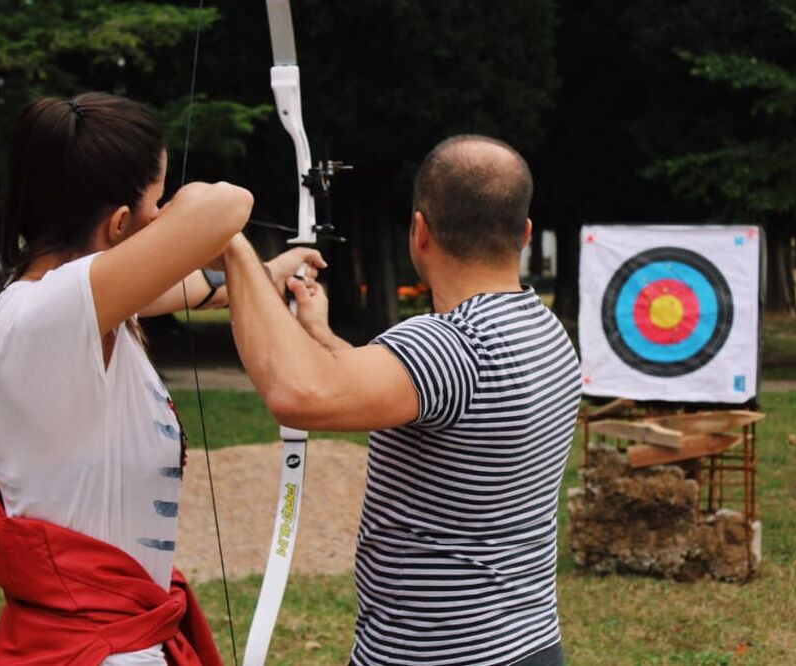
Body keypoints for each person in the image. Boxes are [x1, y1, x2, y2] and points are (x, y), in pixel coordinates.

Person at [0, 92, 322, 665]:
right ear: (118, 224)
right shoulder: (48, 312)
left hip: (113, 635)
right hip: (91, 648)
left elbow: (189, 286)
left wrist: (269, 272)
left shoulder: (74, 306)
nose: (164, 216)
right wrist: (214, 233)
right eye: (158, 202)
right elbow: (228, 204)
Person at [222, 135, 582, 665]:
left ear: (419, 231)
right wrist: (320, 335)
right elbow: (412, 397)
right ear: (525, 233)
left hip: (438, 655)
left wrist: (235, 250)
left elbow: (296, 394)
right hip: (527, 646)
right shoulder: (542, 330)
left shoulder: (450, 343)